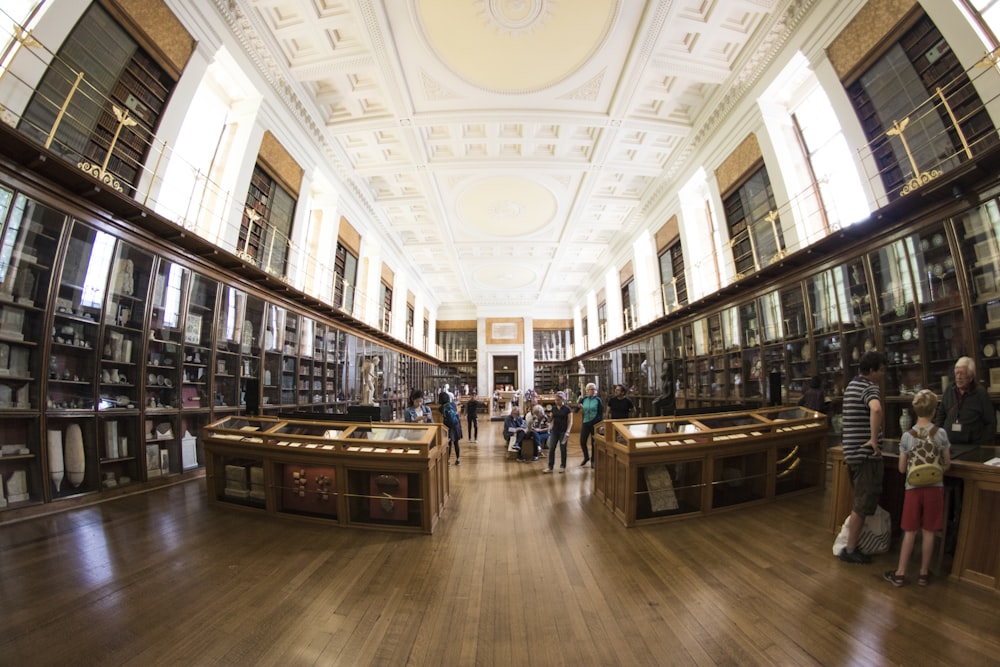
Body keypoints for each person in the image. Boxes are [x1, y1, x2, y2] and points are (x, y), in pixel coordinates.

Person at [884, 389, 951, 587]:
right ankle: (923, 574)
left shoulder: (907, 436)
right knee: (929, 531)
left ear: (915, 410)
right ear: (934, 410)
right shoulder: (940, 434)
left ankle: (901, 573)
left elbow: (902, 468)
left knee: (910, 531)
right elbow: (947, 464)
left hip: (913, 488)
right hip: (935, 488)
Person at [839, 350, 885, 564]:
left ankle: (852, 544)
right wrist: (874, 440)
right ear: (873, 370)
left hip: (852, 453)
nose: (882, 375)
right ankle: (850, 549)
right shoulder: (869, 387)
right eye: (881, 370)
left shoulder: (851, 386)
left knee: (860, 501)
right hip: (865, 456)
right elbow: (875, 409)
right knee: (862, 504)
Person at [934, 357, 996, 447]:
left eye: (962, 374)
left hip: (973, 446)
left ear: (971, 377)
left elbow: (990, 423)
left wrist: (983, 445)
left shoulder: (980, 393)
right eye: (957, 373)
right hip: (949, 444)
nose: (958, 377)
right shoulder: (949, 390)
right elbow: (941, 415)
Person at [543, 391, 574, 473]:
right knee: (552, 448)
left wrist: (568, 431)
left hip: (563, 431)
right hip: (554, 430)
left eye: (558, 400)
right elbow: (552, 420)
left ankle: (563, 466)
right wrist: (549, 424)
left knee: (563, 449)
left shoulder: (567, 409)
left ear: (562, 399)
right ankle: (550, 467)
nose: (557, 401)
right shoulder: (553, 408)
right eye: (556, 400)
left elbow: (570, 421)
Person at [578, 382, 603, 468]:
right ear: (587, 391)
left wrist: (596, 422)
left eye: (594, 389)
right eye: (591, 389)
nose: (593, 391)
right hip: (585, 423)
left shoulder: (598, 400)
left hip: (594, 424)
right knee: (582, 441)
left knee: (594, 443)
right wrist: (579, 406)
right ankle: (586, 457)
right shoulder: (584, 399)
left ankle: (593, 460)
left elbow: (601, 414)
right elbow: (576, 410)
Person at [438, 391, 462, 465]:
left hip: (448, 427)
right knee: (456, 443)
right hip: (456, 425)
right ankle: (458, 459)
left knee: (449, 443)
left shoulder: (441, 408)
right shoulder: (453, 404)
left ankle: (447, 461)